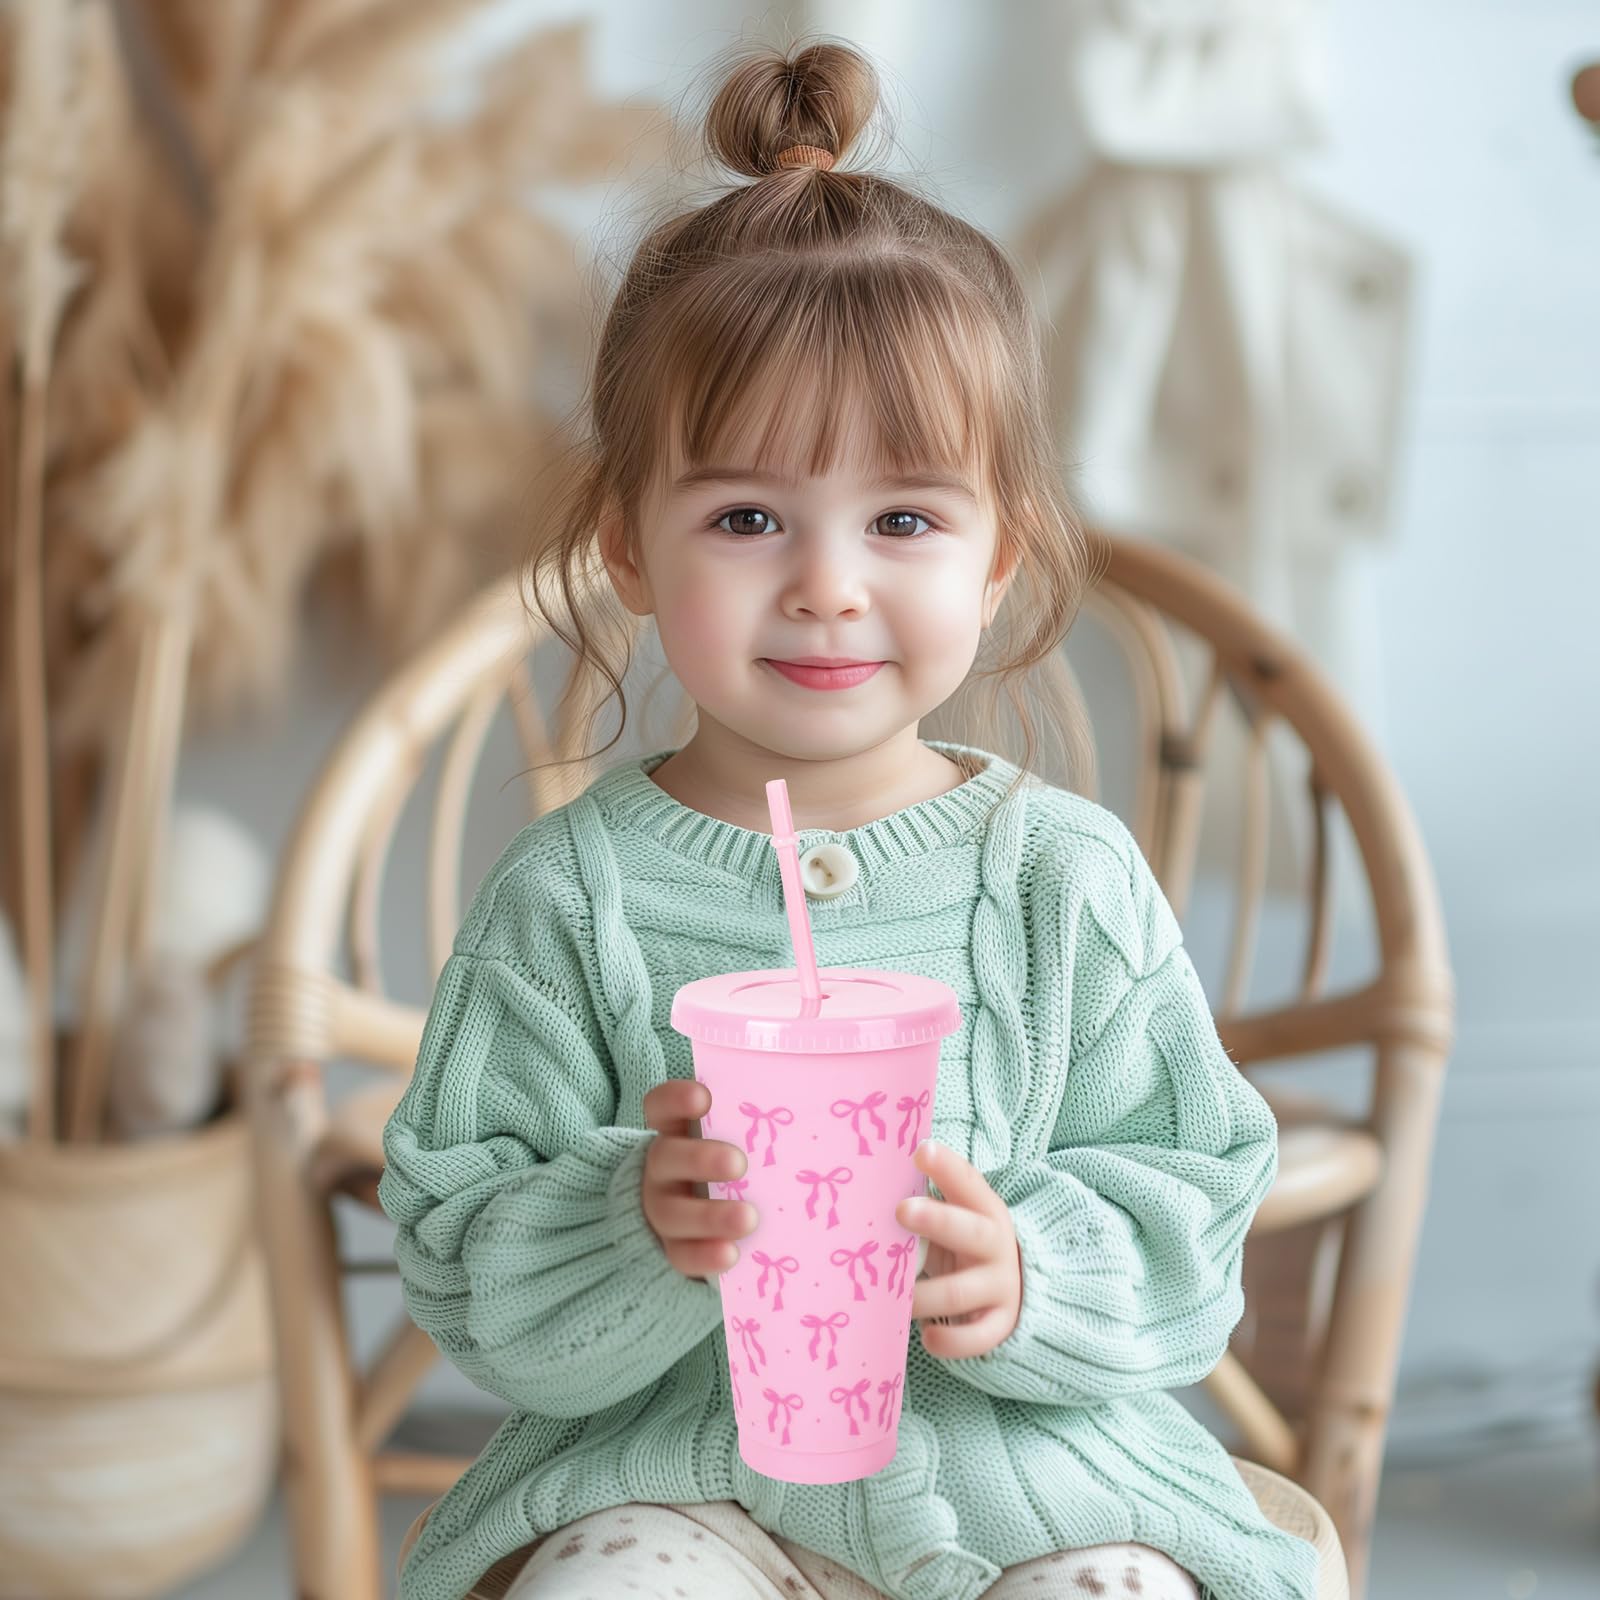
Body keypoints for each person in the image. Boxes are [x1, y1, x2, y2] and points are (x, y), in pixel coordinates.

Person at [379, 35, 1321, 1600]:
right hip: (681, 1491)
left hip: (1039, 1502)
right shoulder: (573, 897)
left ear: (998, 553)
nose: (827, 582)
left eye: (902, 519)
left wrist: (1029, 1268)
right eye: (747, 517)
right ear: (626, 546)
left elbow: (1194, 1196)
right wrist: (630, 1221)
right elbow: (461, 1243)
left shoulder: (1058, 880)